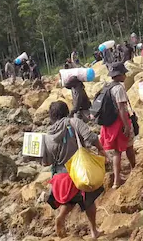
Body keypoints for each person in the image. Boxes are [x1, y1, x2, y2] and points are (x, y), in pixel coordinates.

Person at [42, 101, 105, 239]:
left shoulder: (47, 135)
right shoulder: (74, 122)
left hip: (60, 177)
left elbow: (46, 161)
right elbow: (91, 137)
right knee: (89, 200)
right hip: (79, 172)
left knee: (70, 200)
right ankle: (94, 231)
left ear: (51, 116)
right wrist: (101, 150)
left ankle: (61, 216)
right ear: (66, 111)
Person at [99, 63, 136, 188]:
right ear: (119, 75)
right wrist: (126, 125)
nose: (125, 75)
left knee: (117, 152)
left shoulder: (107, 87)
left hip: (110, 125)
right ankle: (134, 169)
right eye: (124, 73)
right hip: (120, 123)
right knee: (129, 147)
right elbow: (121, 108)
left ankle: (116, 181)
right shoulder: (119, 88)